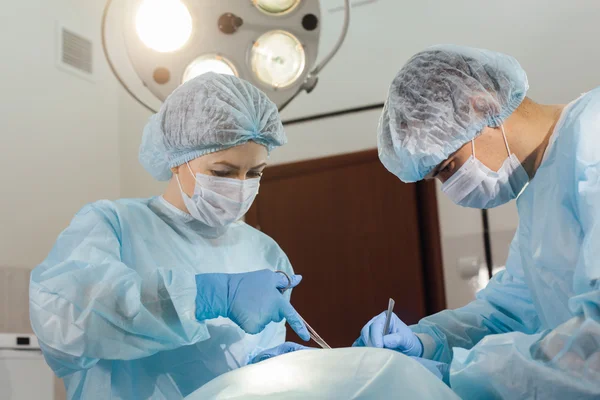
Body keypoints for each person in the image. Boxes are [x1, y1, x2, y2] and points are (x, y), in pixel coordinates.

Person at [29, 72, 310, 399]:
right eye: (223, 172)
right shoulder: (114, 224)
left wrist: (268, 366)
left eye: (255, 173)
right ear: (177, 160)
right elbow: (65, 322)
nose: (241, 185)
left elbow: (245, 364)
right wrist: (204, 296)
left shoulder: (265, 253)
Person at [356, 44, 600, 398]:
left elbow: (592, 343)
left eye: (447, 169)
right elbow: (507, 312)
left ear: (482, 105)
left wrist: (459, 375)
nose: (451, 189)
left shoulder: (592, 142)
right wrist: (428, 342)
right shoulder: (540, 194)